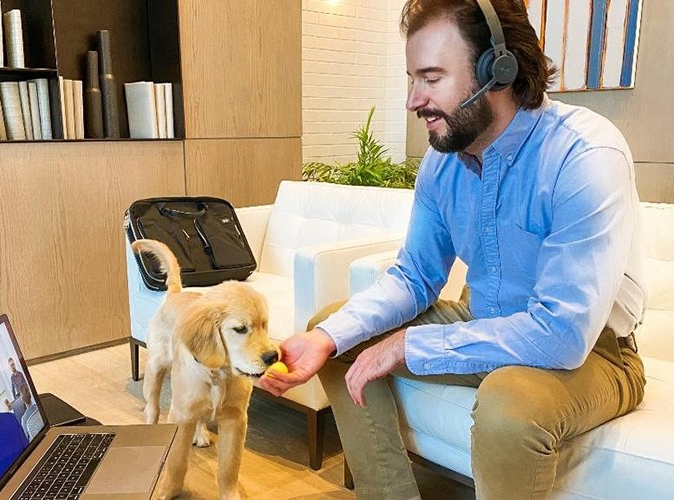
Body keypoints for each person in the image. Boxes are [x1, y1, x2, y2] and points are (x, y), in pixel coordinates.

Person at [260, 1, 646, 498]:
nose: (412, 100)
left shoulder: (585, 156)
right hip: (484, 322)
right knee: (332, 332)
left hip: (593, 354)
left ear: (498, 70)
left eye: (431, 77)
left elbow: (562, 335)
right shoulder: (442, 164)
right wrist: (331, 337)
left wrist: (405, 346)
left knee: (509, 406)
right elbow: (415, 275)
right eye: (411, 78)